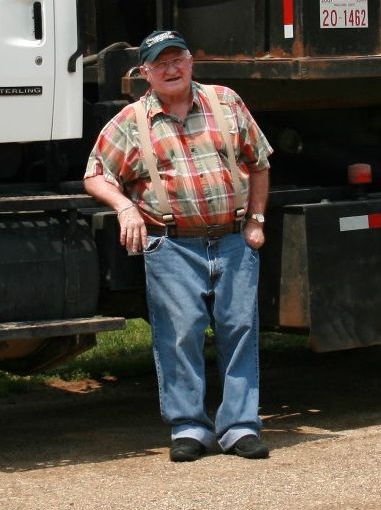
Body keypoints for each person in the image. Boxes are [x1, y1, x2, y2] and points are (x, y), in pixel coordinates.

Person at [84, 29, 272, 462]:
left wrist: (257, 220)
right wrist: (124, 209)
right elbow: (95, 174)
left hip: (232, 239)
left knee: (240, 331)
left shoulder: (226, 102)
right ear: (145, 73)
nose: (171, 69)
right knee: (180, 333)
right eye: (160, 63)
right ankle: (189, 427)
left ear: (191, 62)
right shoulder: (131, 121)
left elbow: (258, 162)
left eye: (178, 59)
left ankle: (239, 427)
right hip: (171, 245)